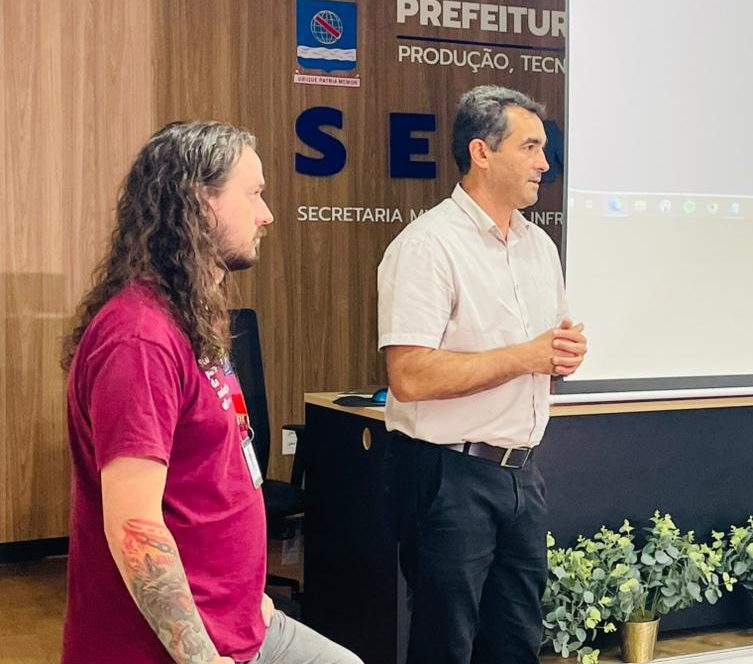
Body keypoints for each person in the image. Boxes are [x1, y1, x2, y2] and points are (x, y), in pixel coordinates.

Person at [61, 121, 361, 664]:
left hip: (240, 623)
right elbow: (135, 526)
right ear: (200, 203)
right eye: (254, 194)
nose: (266, 214)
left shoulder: (189, 315)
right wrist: (199, 657)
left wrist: (246, 601)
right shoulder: (140, 338)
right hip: (169, 649)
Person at [378, 85, 588, 663]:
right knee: (445, 647)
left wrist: (562, 355)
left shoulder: (539, 246)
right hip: (448, 474)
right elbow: (409, 375)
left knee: (517, 643)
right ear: (482, 153)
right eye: (530, 147)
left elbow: (542, 353)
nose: (544, 163)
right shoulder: (427, 246)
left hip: (521, 473)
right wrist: (528, 356)